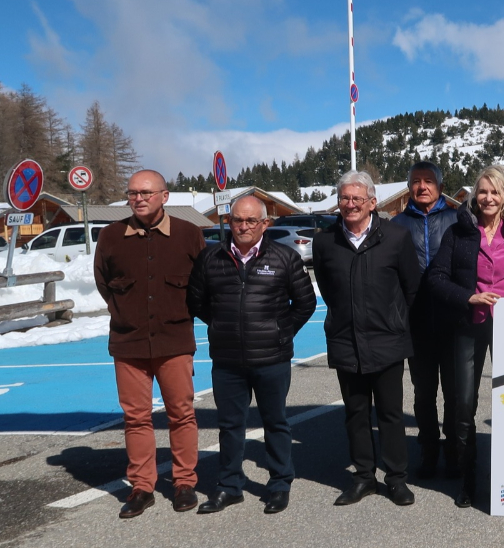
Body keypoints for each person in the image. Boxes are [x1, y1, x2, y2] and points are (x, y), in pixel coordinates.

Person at [187, 195, 317, 515]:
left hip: (272, 358)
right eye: (237, 220)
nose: (243, 227)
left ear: (265, 224)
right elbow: (196, 301)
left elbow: (305, 304)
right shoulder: (211, 258)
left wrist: (280, 331)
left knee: (276, 423)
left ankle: (279, 484)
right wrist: (220, 326)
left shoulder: (285, 257)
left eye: (251, 221)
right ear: (229, 223)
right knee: (230, 425)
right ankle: (230, 486)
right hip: (227, 360)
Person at [94, 169, 206, 518]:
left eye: (145, 192)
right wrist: (125, 315)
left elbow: (202, 284)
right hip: (129, 344)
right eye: (132, 193)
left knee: (182, 414)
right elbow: (103, 282)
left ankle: (184, 482)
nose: (138, 198)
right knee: (136, 418)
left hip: (174, 341)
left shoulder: (188, 234)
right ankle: (142, 487)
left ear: (164, 196)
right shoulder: (111, 236)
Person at [313, 170, 421, 507]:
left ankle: (396, 479)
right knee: (355, 413)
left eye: (357, 198)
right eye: (345, 198)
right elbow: (329, 290)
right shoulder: (324, 241)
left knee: (390, 414)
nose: (350, 204)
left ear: (372, 203)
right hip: (347, 341)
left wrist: (395, 321)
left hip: (387, 341)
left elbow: (411, 288)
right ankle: (364, 478)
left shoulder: (396, 237)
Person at [425, 165, 504, 509]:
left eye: (495, 191)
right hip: (469, 325)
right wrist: (468, 296)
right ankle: (468, 479)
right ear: (474, 195)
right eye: (483, 191)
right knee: (464, 402)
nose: (488, 198)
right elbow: (435, 278)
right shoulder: (459, 233)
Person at [390, 161, 459, 479]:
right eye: (416, 181)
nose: (422, 187)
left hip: (454, 319)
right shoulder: (397, 224)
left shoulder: (459, 220)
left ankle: (456, 453)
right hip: (416, 322)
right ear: (409, 187)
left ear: (441, 187)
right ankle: (429, 452)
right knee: (424, 393)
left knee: (457, 393)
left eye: (429, 181)